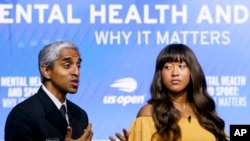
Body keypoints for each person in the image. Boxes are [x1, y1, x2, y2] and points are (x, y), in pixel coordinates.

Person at [109, 43, 229, 141]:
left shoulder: (205, 113)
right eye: (168, 67)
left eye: (181, 66)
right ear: (160, 74)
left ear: (192, 72)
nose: (175, 73)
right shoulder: (149, 112)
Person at [4, 41, 93, 141]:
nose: (76, 72)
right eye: (67, 65)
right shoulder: (23, 115)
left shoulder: (80, 115)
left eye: (78, 66)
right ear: (46, 71)